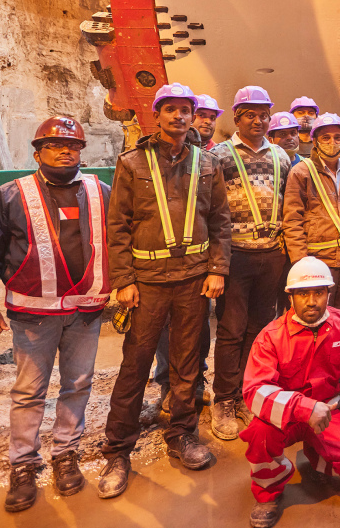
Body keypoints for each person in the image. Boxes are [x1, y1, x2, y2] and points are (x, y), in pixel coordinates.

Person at [0, 116, 111, 512]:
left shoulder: (101, 192)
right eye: (54, 144)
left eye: (73, 145)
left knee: (78, 384)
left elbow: (119, 241)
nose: (66, 150)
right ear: (38, 152)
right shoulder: (10, 195)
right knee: (29, 392)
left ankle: (66, 455)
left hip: (85, 311)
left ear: (82, 151)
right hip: (33, 315)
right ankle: (24, 465)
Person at [99, 83, 230, 498]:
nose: (178, 116)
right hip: (149, 284)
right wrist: (123, 280)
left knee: (187, 364)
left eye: (185, 110)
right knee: (135, 366)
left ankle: (182, 435)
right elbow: (117, 225)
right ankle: (118, 450)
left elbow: (221, 222)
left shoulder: (207, 164)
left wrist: (217, 269)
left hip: (193, 279)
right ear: (156, 116)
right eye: (169, 110)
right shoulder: (133, 162)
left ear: (194, 116)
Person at [241, 257, 340, 528]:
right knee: (259, 432)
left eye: (318, 292)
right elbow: (254, 391)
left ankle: (316, 456)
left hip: (329, 410)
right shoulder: (271, 336)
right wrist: (304, 408)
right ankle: (269, 492)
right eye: (303, 293)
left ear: (329, 293)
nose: (311, 301)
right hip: (287, 416)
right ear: (290, 296)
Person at [209, 85, 293, 441]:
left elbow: (288, 205)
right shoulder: (219, 156)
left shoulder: (281, 156)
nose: (258, 121)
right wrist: (217, 261)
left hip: (272, 254)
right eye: (250, 115)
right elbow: (212, 210)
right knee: (230, 329)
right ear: (237, 118)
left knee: (261, 329)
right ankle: (223, 399)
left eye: (263, 115)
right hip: (237, 255)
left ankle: (248, 391)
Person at [283, 113, 340, 314]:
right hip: (318, 262)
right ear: (315, 141)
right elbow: (292, 220)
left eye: (337, 137)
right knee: (319, 319)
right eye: (325, 138)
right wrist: (301, 262)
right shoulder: (301, 172)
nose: (332, 142)